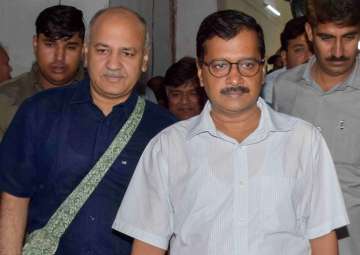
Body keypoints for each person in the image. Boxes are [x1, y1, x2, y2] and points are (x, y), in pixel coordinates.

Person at [113, 9, 349, 255]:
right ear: (201, 74)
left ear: (261, 70)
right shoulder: (167, 148)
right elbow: (148, 246)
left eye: (247, 64)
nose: (234, 78)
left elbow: (323, 241)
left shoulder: (304, 142)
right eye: (220, 65)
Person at [0, 6, 175, 255]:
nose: (114, 64)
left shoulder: (164, 130)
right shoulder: (39, 112)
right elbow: (14, 199)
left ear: (144, 59)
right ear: (85, 53)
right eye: (102, 50)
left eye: (127, 52)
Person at [273, 0, 360, 254]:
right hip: (293, 242)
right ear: (310, 33)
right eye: (326, 38)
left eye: (349, 37)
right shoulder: (284, 88)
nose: (337, 51)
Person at [0, 5, 85, 141]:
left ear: (83, 49)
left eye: (70, 47)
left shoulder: (101, 95)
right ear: (35, 44)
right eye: (50, 45)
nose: (59, 57)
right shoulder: (4, 99)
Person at [262, 16, 312, 104]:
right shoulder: (272, 88)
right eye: (299, 50)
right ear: (285, 57)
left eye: (313, 49)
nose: (309, 57)